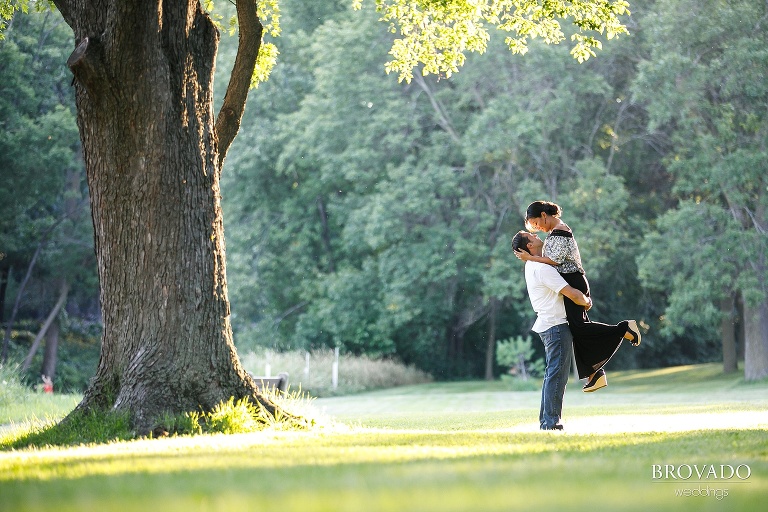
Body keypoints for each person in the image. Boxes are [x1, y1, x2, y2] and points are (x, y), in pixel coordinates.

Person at [514, 200, 641, 393]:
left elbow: (554, 261)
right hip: (570, 281)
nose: (537, 228)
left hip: (574, 281)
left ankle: (624, 329)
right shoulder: (553, 233)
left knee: (579, 328)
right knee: (577, 330)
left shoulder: (560, 231)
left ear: (543, 215)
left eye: (537, 223)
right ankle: (595, 374)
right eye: (534, 227)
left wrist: (530, 258)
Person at [512, 230, 592, 430]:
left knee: (553, 375)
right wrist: (586, 301)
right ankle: (550, 422)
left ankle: (547, 421)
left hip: (550, 325)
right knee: (557, 376)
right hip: (555, 326)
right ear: (529, 246)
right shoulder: (541, 268)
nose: (538, 236)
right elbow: (571, 293)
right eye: (533, 237)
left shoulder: (535, 264)